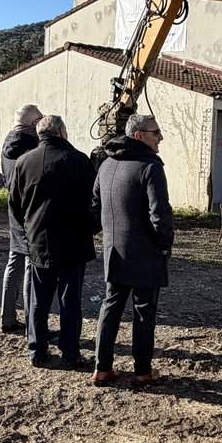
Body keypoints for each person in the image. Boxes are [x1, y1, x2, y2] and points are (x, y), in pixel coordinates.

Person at [7, 115, 99, 369]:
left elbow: (14, 204)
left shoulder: (24, 162)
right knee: (70, 301)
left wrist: (29, 230)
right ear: (61, 131)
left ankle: (36, 350)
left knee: (38, 300)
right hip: (74, 241)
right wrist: (92, 230)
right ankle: (70, 352)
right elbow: (95, 204)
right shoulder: (79, 161)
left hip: (39, 241)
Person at [90, 114, 174, 388]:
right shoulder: (150, 168)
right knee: (144, 311)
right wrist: (164, 245)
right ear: (139, 135)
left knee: (111, 305)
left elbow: (94, 207)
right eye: (156, 132)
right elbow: (160, 214)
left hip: (114, 250)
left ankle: (102, 368)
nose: (160, 137)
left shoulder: (107, 165)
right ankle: (142, 371)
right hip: (145, 252)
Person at [0, 104, 43, 334]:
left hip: (13, 209)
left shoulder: (8, 142)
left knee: (14, 261)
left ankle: (7, 317)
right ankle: (31, 323)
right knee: (30, 266)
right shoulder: (33, 147)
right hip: (31, 209)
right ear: (34, 123)